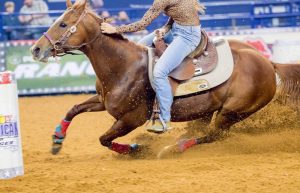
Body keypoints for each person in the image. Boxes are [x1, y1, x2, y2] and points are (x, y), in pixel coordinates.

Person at [101, 0, 205, 133]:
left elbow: (143, 24)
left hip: (187, 36)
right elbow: (178, 14)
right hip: (175, 29)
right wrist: (165, 29)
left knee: (160, 72)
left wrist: (115, 29)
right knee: (139, 49)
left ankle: (164, 119)